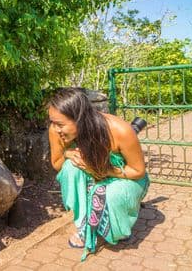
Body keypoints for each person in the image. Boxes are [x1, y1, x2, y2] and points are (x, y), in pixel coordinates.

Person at [47, 87, 149, 261]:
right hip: (95, 174)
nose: (55, 129)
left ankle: (119, 224)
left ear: (79, 120)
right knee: (70, 169)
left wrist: (102, 169)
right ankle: (85, 226)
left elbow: (138, 171)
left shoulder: (120, 130)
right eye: (53, 122)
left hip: (126, 177)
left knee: (109, 193)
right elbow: (57, 164)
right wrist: (67, 154)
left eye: (60, 124)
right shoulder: (56, 131)